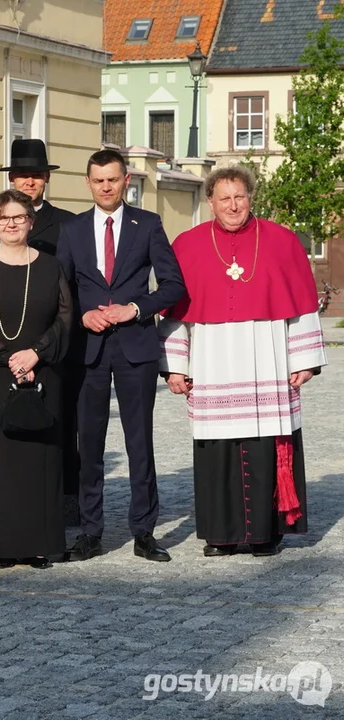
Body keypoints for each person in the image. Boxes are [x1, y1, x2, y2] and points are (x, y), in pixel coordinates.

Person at [158, 165, 326, 557]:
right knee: (216, 449)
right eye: (224, 198)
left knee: (264, 442)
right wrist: (176, 366)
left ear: (251, 198)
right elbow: (174, 312)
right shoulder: (187, 244)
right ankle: (220, 535)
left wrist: (303, 358)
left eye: (240, 197)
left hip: (266, 356)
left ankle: (265, 534)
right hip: (211, 360)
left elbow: (300, 306)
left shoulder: (282, 241)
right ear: (211, 202)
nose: (233, 205)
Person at [56, 149, 185, 563]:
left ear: (125, 180)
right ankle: (91, 532)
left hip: (135, 347)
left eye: (112, 179)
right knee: (89, 444)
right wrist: (83, 314)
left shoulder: (147, 224)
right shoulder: (73, 229)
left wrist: (135, 309)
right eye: (98, 180)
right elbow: (61, 291)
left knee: (138, 441)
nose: (106, 187)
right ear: (88, 182)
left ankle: (144, 532)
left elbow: (173, 285)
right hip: (89, 350)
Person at [0, 190, 73, 568]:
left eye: (19, 217)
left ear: (30, 221)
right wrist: (10, 357)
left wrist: (36, 353)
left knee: (38, 460)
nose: (11, 224)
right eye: (3, 219)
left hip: (42, 374)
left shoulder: (51, 266)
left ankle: (39, 542)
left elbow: (64, 318)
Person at [0, 139, 81, 496]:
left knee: (60, 420)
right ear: (11, 178)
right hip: (9, 335)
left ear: (46, 179)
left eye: (36, 176)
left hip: (54, 336)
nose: (29, 182)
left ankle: (64, 495)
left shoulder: (68, 223)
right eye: (22, 175)